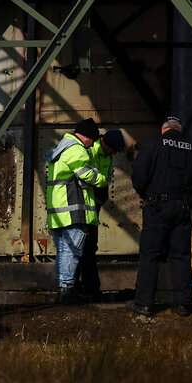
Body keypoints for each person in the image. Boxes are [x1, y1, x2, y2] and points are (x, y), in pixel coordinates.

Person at [127, 117, 192, 316]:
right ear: (179, 131)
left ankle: (144, 304)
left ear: (164, 130)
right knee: (180, 256)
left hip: (156, 207)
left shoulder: (152, 145)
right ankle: (183, 304)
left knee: (150, 255)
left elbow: (138, 173)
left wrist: (143, 192)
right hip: (182, 210)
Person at [44, 118, 107, 304]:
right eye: (92, 140)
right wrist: (102, 179)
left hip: (59, 211)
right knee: (71, 251)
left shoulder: (62, 148)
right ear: (86, 137)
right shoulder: (76, 149)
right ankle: (67, 290)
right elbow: (86, 174)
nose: (93, 144)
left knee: (64, 250)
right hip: (73, 210)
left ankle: (64, 288)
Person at [74, 129, 126, 301]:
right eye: (114, 149)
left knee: (89, 247)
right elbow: (84, 179)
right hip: (82, 206)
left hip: (93, 206)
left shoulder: (109, 157)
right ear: (105, 143)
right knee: (79, 247)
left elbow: (106, 179)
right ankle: (76, 287)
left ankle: (89, 288)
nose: (115, 153)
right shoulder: (89, 151)